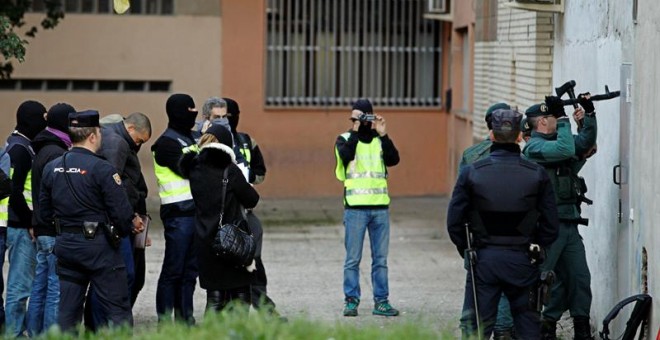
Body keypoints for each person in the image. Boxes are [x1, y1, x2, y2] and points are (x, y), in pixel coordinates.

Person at [447, 109, 559, 339]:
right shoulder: (537, 174)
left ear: (491, 135)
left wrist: (469, 250)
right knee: (528, 327)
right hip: (523, 258)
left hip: (484, 258)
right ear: (520, 136)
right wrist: (537, 249)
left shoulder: (471, 173)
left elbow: (454, 222)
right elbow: (551, 225)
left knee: (477, 329)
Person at [39, 110, 138, 332]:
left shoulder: (52, 167)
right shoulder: (103, 169)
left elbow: (44, 214)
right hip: (99, 249)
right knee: (118, 309)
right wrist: (125, 229)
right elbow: (122, 215)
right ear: (93, 136)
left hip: (66, 245)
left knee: (67, 312)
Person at [522, 94, 598, 340]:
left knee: (579, 278)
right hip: (547, 228)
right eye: (554, 117)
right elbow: (566, 148)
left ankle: (581, 327)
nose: (557, 121)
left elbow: (584, 143)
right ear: (543, 122)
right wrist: (564, 118)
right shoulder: (534, 147)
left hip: (569, 224)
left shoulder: (557, 141)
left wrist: (588, 118)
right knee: (543, 280)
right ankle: (537, 326)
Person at [180, 124, 259, 313]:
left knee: (214, 297)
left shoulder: (194, 168)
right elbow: (252, 199)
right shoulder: (229, 169)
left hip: (205, 239)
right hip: (231, 240)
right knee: (240, 293)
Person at [334, 98, 400, 317]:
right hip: (355, 209)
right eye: (355, 117)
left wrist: (384, 134)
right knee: (352, 259)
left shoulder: (379, 140)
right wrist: (354, 132)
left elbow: (394, 160)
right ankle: (351, 301)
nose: (359, 121)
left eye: (362, 117)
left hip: (380, 208)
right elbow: (345, 156)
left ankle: (381, 302)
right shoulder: (344, 139)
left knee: (380, 261)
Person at [85, 112, 151, 330]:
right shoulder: (117, 144)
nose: (140, 145)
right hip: (116, 223)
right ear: (131, 129)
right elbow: (113, 187)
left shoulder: (114, 139)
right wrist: (129, 218)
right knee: (120, 275)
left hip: (118, 220)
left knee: (119, 276)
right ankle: (101, 327)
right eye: (140, 140)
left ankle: (101, 326)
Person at [457, 102, 517, 339]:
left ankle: (472, 332)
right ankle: (503, 330)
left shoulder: (471, 155)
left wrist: (463, 243)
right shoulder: (518, 155)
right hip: (512, 238)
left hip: (478, 236)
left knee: (473, 290)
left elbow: (459, 203)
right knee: (505, 290)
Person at [26, 102, 75, 336]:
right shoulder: (56, 152)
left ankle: (35, 332)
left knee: (40, 287)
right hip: (53, 229)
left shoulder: (43, 148)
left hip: (42, 227)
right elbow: (58, 196)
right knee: (55, 289)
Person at [222, 97, 274, 312]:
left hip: (246, 209)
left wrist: (246, 175)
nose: (227, 120)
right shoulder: (212, 140)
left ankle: (263, 305)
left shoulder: (246, 141)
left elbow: (260, 173)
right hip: (223, 213)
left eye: (229, 116)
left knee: (254, 259)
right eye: (222, 117)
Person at [152, 93, 199, 324]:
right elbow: (187, 169)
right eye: (190, 111)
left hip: (196, 214)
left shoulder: (192, 137)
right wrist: (205, 150)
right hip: (178, 215)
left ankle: (185, 319)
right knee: (173, 270)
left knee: (190, 272)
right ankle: (164, 320)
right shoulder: (166, 143)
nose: (194, 116)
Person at [5, 100, 47, 337]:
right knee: (20, 285)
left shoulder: (19, 144)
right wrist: (31, 221)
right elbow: (15, 191)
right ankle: (13, 333)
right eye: (42, 118)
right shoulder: (20, 149)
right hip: (19, 225)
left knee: (19, 284)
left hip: (17, 223)